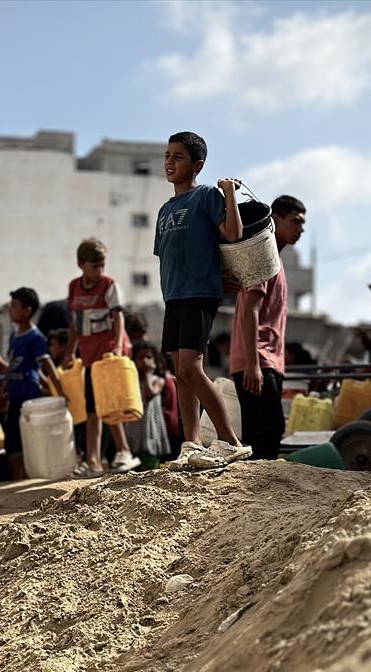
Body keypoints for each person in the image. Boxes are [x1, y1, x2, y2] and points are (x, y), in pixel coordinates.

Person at [154, 130, 251, 470]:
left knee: (189, 368)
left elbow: (233, 235)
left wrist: (229, 195)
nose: (169, 162)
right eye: (167, 155)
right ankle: (191, 442)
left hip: (199, 294)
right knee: (181, 375)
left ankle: (231, 441)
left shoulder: (207, 196)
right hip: (175, 296)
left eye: (177, 157)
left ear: (197, 165)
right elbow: (168, 254)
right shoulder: (166, 209)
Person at [229, 194, 305, 460]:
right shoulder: (263, 257)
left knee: (265, 433)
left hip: (267, 361)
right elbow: (250, 311)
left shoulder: (277, 261)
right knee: (268, 432)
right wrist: (253, 364)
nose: (301, 229)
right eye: (295, 221)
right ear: (276, 220)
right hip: (258, 360)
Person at [67, 237, 140, 476]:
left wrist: (118, 346)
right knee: (92, 410)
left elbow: (118, 317)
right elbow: (75, 325)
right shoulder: (74, 288)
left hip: (108, 354)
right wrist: (69, 351)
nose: (99, 271)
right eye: (94, 266)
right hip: (89, 358)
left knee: (110, 405)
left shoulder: (109, 286)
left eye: (102, 265)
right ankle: (94, 462)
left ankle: (124, 451)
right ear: (81, 264)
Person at [0, 287, 62, 479]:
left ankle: (26, 481)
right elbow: (12, 366)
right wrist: (3, 389)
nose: (10, 309)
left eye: (14, 306)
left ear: (27, 310)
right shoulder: (13, 335)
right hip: (14, 397)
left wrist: (60, 392)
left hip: (30, 399)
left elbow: (47, 365)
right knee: (12, 443)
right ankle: (17, 481)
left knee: (29, 442)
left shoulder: (36, 338)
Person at [125, 341, 173, 469]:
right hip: (135, 425)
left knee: (150, 464)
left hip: (150, 426)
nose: (145, 361)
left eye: (149, 357)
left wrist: (147, 374)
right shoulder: (132, 380)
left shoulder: (158, 380)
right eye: (140, 358)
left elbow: (150, 393)